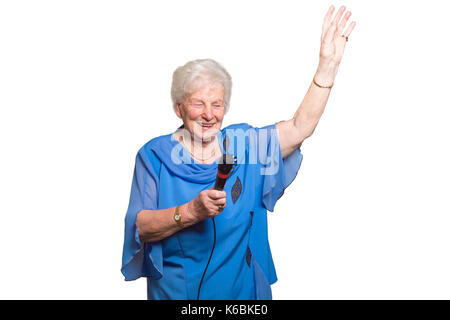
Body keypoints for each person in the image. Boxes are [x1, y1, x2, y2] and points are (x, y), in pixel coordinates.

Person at [121, 5, 356, 300]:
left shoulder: (245, 144)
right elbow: (140, 226)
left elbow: (298, 128)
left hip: (241, 297)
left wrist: (328, 65)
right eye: (197, 103)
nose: (208, 114)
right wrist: (191, 212)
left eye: (217, 104)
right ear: (178, 107)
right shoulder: (154, 156)